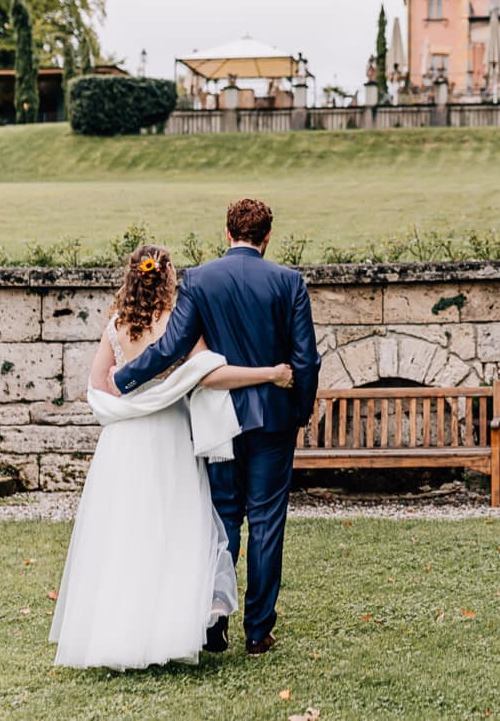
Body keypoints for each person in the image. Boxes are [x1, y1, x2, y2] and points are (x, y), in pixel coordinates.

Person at [49, 244, 294, 670]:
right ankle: (170, 630)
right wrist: (271, 373)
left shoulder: (115, 326)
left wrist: (134, 400)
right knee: (173, 528)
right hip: (167, 435)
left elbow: (99, 386)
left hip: (124, 442)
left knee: (124, 532)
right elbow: (213, 374)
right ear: (167, 278)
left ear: (132, 278)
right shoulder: (175, 324)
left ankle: (118, 632)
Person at [111, 200, 320, 657]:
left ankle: (214, 622)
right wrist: (300, 411)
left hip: (217, 418)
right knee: (266, 521)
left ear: (227, 234)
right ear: (267, 237)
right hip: (273, 418)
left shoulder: (201, 280)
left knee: (224, 517)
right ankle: (258, 630)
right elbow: (306, 357)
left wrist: (125, 378)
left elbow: (173, 345)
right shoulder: (289, 282)